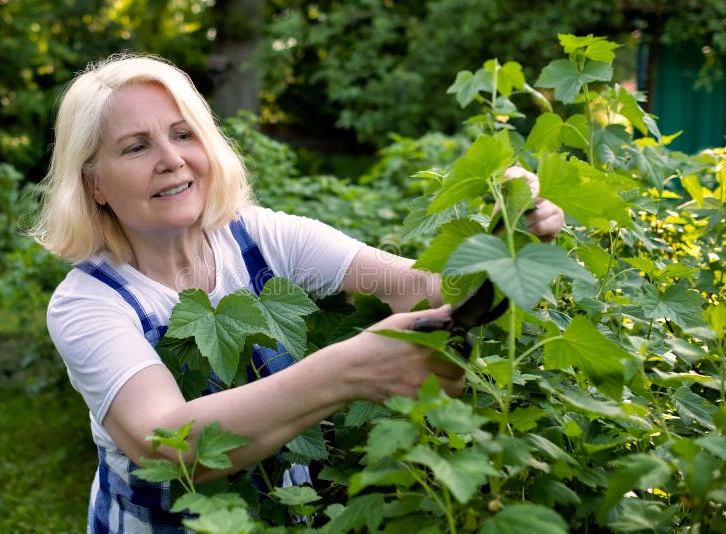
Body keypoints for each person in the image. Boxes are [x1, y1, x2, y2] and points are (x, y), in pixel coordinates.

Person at [31, 53, 564, 533]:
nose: (171, 159)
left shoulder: (262, 238)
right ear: (94, 185)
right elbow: (167, 445)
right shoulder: (89, 303)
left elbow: (416, 287)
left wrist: (507, 238)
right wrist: (347, 369)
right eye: (137, 146)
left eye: (183, 134)